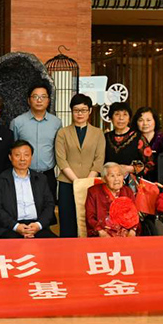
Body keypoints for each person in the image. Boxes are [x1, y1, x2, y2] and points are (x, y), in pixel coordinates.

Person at [54, 94, 105, 237]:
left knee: (89, 219)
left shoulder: (98, 133)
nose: (80, 114)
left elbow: (99, 160)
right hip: (67, 183)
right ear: (71, 111)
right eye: (76, 110)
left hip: (91, 184)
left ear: (90, 111)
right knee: (67, 220)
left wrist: (87, 181)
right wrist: (76, 181)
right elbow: (61, 160)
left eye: (83, 110)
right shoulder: (63, 133)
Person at [0, 140, 55, 238]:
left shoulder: (41, 179)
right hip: (10, 227)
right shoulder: (0, 180)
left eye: (26, 155)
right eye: (17, 155)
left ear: (31, 157)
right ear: (10, 157)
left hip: (36, 226)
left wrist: (38, 225)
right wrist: (16, 226)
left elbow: (49, 205)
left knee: (55, 244)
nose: (22, 159)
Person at [10, 81, 62, 200]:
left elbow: (58, 148)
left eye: (43, 97)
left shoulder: (56, 123)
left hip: (48, 175)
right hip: (24, 174)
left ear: (48, 100)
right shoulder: (17, 122)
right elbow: (13, 148)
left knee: (48, 207)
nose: (39, 100)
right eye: (35, 97)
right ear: (29, 100)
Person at [85, 163, 139, 237]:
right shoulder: (94, 192)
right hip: (102, 233)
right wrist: (101, 232)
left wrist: (133, 230)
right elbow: (90, 217)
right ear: (104, 179)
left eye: (119, 175)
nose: (116, 179)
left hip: (125, 234)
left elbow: (134, 215)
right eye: (112, 176)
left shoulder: (127, 191)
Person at [132, 106, 163, 183]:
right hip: (136, 182)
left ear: (155, 121)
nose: (145, 123)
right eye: (141, 120)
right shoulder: (132, 139)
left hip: (159, 181)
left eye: (148, 120)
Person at [104, 102, 141, 176]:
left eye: (125, 114)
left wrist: (130, 168)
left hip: (132, 181)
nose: (121, 118)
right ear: (111, 118)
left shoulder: (138, 137)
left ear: (129, 119)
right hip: (109, 180)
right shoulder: (105, 137)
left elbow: (149, 164)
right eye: (117, 114)